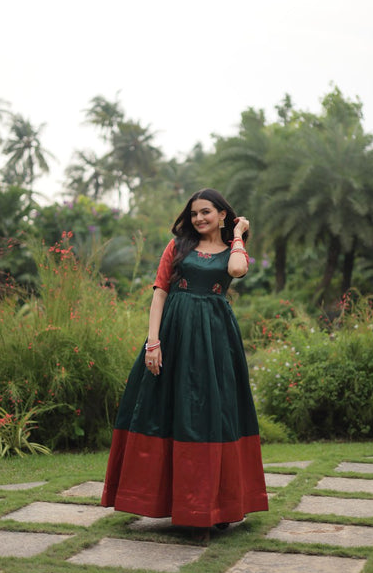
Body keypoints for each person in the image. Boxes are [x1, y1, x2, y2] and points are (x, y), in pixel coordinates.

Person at [101, 188, 268, 536]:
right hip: (174, 337)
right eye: (194, 213)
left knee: (214, 416)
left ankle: (215, 505)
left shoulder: (232, 250)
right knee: (165, 412)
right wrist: (153, 342)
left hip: (215, 343)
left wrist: (237, 235)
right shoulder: (178, 247)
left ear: (223, 214)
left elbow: (237, 269)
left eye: (206, 212)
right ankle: (169, 502)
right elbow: (160, 292)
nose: (198, 219)